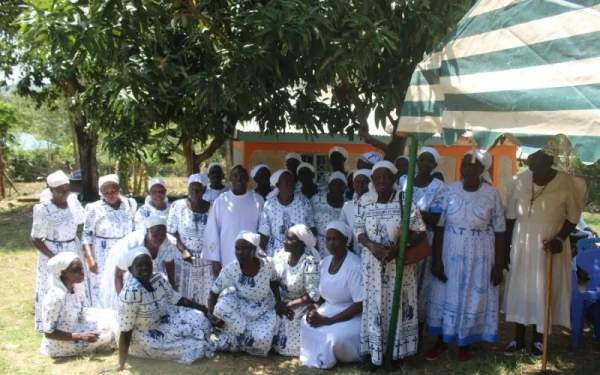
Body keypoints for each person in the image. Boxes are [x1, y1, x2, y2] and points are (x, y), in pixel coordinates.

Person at [503, 139, 587, 356]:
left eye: (535, 156)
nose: (529, 159)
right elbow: (511, 218)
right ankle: (518, 338)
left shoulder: (567, 182)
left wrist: (559, 239)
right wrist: (505, 250)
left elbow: (573, 218)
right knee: (521, 287)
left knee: (543, 287)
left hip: (549, 243)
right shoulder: (519, 180)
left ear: (548, 160)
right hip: (522, 241)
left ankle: (539, 339)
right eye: (530, 155)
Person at [425, 150, 505, 361]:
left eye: (473, 165)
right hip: (450, 252)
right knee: (446, 294)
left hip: (479, 254)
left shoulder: (491, 194)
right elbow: (440, 227)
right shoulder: (449, 191)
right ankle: (442, 342)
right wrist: (436, 259)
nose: (468, 169)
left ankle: (465, 343)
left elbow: (500, 230)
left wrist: (498, 265)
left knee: (472, 295)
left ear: (482, 169)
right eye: (465, 165)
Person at [355, 161, 427, 367]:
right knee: (376, 306)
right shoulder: (364, 202)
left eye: (386, 176)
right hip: (373, 265)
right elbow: (358, 231)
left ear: (395, 179)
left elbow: (420, 230)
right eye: (377, 176)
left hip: (400, 266)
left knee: (400, 304)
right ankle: (375, 355)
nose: (381, 180)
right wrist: (372, 246)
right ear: (372, 180)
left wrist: (399, 248)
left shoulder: (405, 200)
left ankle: (400, 355)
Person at [116, 247, 214, 367]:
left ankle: (194, 338)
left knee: (201, 319)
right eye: (139, 265)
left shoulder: (158, 279)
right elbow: (126, 332)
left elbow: (177, 299)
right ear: (130, 269)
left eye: (147, 264)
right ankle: (196, 342)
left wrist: (204, 309)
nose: (145, 268)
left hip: (164, 321)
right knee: (197, 346)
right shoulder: (130, 293)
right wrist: (121, 364)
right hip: (144, 337)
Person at [207, 231, 283, 357]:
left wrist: (279, 302)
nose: (240, 252)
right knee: (220, 307)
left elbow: (274, 281)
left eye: (245, 248)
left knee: (263, 343)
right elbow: (214, 291)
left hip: (262, 309)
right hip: (240, 306)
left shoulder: (267, 264)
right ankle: (245, 338)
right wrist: (210, 314)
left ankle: (236, 340)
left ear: (255, 250)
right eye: (237, 248)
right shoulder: (231, 269)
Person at [398, 147, 447, 339]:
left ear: (435, 165)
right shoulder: (404, 180)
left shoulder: (439, 187)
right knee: (402, 286)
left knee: (420, 289)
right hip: (402, 237)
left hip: (426, 241)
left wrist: (410, 214)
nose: (425, 164)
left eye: (430, 161)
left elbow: (436, 219)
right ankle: (400, 334)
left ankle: (415, 336)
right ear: (416, 162)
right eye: (422, 160)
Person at [300, 221, 363, 369]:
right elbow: (321, 296)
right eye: (328, 239)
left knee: (336, 338)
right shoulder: (324, 262)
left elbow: (360, 304)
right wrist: (314, 310)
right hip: (328, 309)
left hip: (351, 314)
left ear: (345, 241)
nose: (331, 243)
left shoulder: (354, 265)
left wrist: (329, 321)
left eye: (335, 239)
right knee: (305, 322)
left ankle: (338, 356)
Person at [31, 170, 85, 332]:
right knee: (53, 287)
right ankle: (51, 324)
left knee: (76, 283)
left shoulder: (73, 203)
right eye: (62, 190)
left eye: (68, 189)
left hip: (72, 248)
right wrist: (54, 258)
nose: (66, 193)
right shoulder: (43, 209)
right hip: (53, 251)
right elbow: (36, 238)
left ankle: (75, 317)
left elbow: (81, 221)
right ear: (51, 191)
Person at [40, 252, 117, 358]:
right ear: (63, 273)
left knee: (113, 315)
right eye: (76, 269)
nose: (82, 272)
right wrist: (81, 336)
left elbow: (81, 310)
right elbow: (49, 333)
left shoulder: (74, 288)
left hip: (75, 328)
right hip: (61, 343)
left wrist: (101, 313)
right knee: (110, 329)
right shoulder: (55, 297)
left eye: (82, 268)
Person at [99, 216, 177, 309]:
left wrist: (172, 292)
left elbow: (170, 268)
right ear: (148, 231)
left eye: (163, 234)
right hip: (126, 270)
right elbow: (118, 275)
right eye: (155, 234)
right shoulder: (131, 246)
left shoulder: (167, 244)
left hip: (148, 271)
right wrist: (123, 302)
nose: (159, 238)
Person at [83, 174, 137, 307]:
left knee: (125, 282)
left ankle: (124, 315)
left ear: (119, 189)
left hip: (126, 252)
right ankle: (103, 319)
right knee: (103, 286)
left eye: (113, 191)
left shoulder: (129, 204)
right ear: (101, 193)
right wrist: (90, 259)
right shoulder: (94, 208)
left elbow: (135, 229)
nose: (110, 195)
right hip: (102, 255)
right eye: (106, 192)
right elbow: (86, 236)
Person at [201, 165, 264, 277]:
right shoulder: (221, 201)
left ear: (247, 179)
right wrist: (215, 259)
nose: (239, 179)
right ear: (230, 178)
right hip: (227, 254)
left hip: (251, 255)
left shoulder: (257, 200)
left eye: (242, 176)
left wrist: (258, 254)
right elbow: (213, 231)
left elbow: (263, 229)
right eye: (235, 176)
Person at [272, 225, 321, 356]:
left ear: (301, 243)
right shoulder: (280, 256)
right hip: (281, 302)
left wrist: (289, 306)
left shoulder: (309, 263)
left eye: (289, 239)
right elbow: (274, 281)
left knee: (291, 340)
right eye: (285, 238)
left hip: (300, 305)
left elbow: (312, 295)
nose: (284, 241)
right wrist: (279, 303)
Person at [167, 173, 212, 305]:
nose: (194, 192)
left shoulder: (213, 208)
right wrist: (183, 250)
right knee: (184, 292)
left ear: (204, 190)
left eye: (198, 189)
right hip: (184, 257)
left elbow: (216, 234)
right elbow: (171, 233)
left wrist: (212, 254)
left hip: (206, 259)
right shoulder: (178, 206)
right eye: (191, 189)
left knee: (205, 294)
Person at [259, 169, 315, 256]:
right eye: (286, 181)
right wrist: (260, 257)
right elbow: (264, 235)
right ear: (278, 185)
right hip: (276, 255)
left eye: (292, 181)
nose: (290, 183)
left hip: (300, 255)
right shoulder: (269, 205)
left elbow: (311, 229)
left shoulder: (303, 202)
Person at [311, 172, 347, 258]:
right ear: (329, 186)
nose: (337, 187)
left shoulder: (348, 205)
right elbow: (309, 222)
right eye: (334, 184)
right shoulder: (316, 200)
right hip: (317, 246)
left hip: (338, 249)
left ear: (345, 188)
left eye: (340, 185)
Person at [340, 169, 371, 255]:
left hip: (373, 251)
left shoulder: (376, 205)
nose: (360, 184)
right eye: (357, 181)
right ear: (353, 185)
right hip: (354, 252)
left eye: (365, 181)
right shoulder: (348, 206)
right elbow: (343, 228)